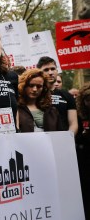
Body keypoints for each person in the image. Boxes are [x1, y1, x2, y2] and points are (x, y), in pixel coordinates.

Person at [36, 56, 78, 135]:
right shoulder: (34, 94)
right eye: (46, 70)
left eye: (53, 69)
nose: (50, 72)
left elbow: (73, 124)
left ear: (57, 71)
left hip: (63, 140)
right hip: (40, 140)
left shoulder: (67, 96)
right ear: (39, 72)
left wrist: (67, 138)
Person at [75, 82, 90, 219]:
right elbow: (75, 136)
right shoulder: (80, 115)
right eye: (87, 99)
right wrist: (83, 135)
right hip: (84, 158)